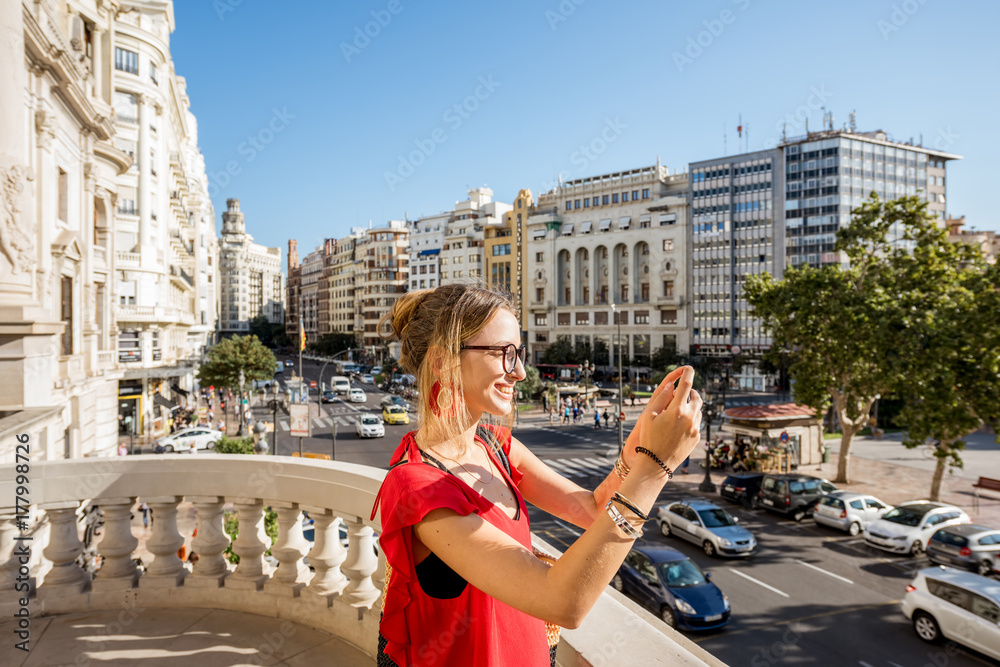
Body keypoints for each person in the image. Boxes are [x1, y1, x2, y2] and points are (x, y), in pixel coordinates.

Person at [370, 283, 702, 666]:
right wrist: (654, 467)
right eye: (505, 354)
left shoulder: (496, 446)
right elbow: (563, 603)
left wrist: (635, 451)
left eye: (520, 354)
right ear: (444, 361)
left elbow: (592, 509)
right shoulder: (417, 487)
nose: (521, 372)